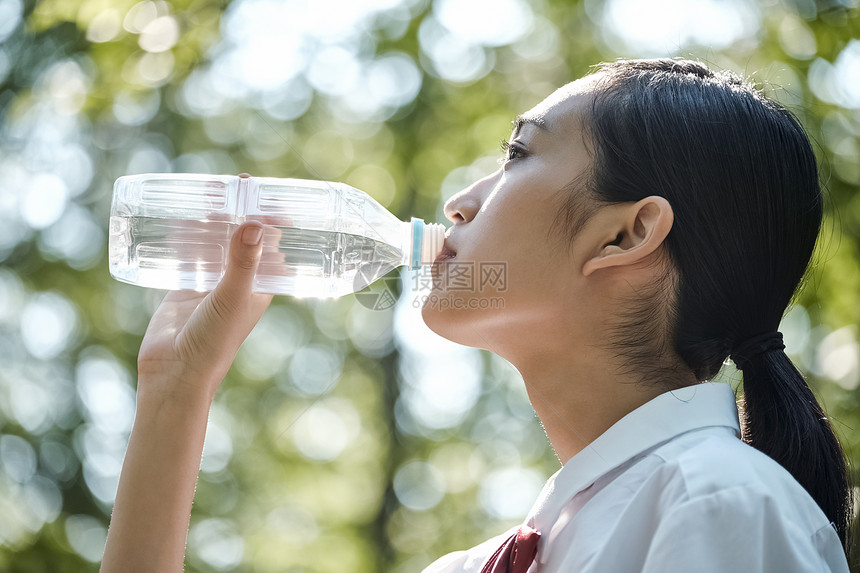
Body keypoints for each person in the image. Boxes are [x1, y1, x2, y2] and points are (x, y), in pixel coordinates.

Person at [100, 59, 853, 573]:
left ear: (626, 234)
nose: (461, 199)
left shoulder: (721, 505)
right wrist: (175, 390)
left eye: (519, 154)